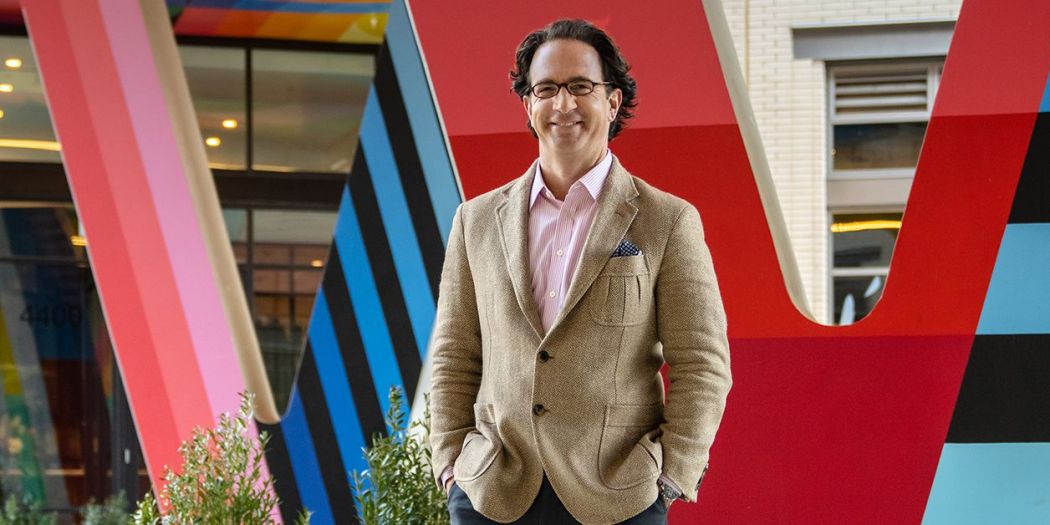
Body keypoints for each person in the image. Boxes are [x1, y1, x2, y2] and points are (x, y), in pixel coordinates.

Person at [429, 18, 731, 525]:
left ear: (612, 101)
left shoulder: (667, 220)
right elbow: (453, 353)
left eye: (580, 86)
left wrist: (671, 476)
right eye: (546, 89)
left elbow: (703, 362)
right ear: (528, 105)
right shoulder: (475, 221)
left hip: (617, 496)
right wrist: (450, 464)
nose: (563, 104)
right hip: (492, 493)